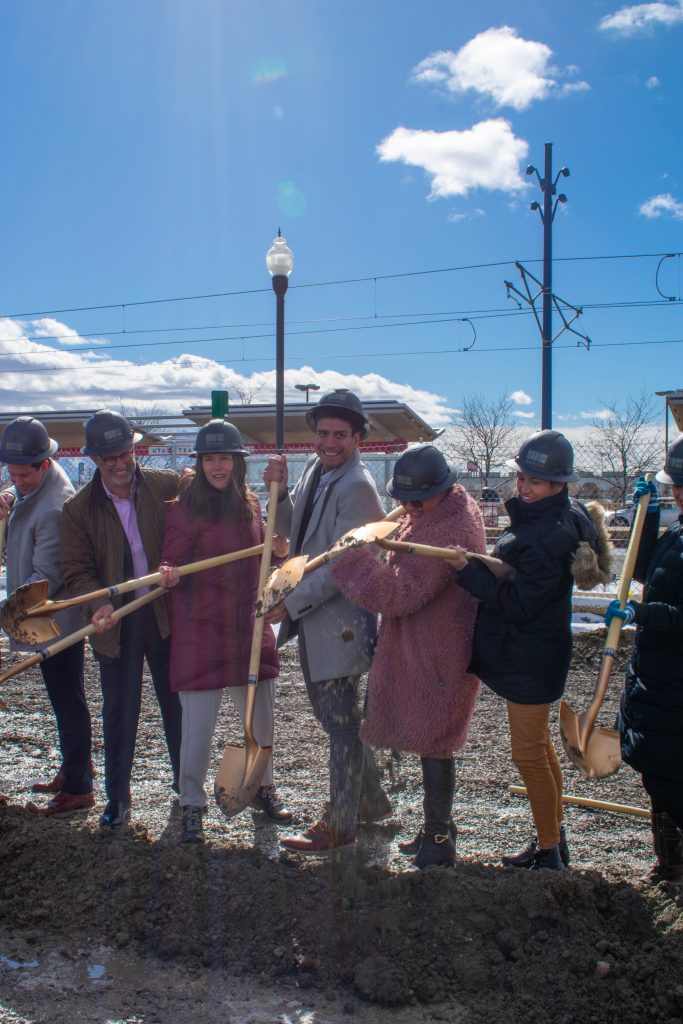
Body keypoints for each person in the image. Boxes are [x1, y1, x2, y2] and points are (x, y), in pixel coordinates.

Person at [450, 430, 611, 871]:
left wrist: (469, 573)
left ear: (559, 485)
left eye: (536, 482)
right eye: (522, 477)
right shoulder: (562, 518)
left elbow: (519, 603)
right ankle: (554, 839)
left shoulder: (547, 536)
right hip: (539, 652)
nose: (524, 487)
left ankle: (548, 851)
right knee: (540, 749)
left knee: (528, 755)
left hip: (529, 656)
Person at [329, 444, 485, 868]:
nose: (408, 507)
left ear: (444, 489)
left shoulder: (448, 531)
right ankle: (436, 829)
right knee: (430, 738)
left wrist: (353, 565)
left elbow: (398, 595)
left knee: (436, 740)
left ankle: (439, 837)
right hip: (426, 645)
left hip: (438, 652)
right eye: (404, 499)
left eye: (417, 499)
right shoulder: (436, 512)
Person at [263, 388, 391, 855]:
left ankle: (341, 822)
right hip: (319, 623)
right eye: (322, 433)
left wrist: (290, 604)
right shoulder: (317, 471)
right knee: (338, 719)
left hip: (341, 624)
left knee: (339, 723)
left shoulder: (357, 486)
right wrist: (275, 487)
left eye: (340, 434)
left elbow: (345, 563)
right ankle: (372, 801)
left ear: (358, 438)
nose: (329, 441)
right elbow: (292, 526)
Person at [157, 419, 289, 845]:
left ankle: (262, 787)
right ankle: (191, 803)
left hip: (249, 629)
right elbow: (170, 561)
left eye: (225, 459)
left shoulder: (251, 502)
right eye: (210, 459)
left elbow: (264, 563)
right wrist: (168, 573)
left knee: (261, 723)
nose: (218, 466)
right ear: (201, 462)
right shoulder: (183, 508)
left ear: (236, 462)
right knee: (197, 729)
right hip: (201, 634)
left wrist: (278, 555)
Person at [61, 410, 182, 827]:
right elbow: (76, 570)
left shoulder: (165, 487)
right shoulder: (78, 509)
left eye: (124, 453)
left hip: (165, 614)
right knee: (119, 710)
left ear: (135, 449)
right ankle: (118, 797)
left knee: (177, 704)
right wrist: (95, 605)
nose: (119, 463)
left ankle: (186, 789)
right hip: (117, 623)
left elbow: (194, 518)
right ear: (94, 459)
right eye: (109, 457)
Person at [0, 417, 93, 815]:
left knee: (68, 700)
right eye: (11, 473)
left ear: (44, 465)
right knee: (63, 698)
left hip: (56, 622)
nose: (18, 480)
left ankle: (78, 789)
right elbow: (22, 498)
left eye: (23, 475)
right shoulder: (37, 486)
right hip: (48, 620)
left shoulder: (55, 507)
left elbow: (45, 580)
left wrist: (6, 612)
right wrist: (8, 495)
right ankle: (76, 770)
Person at [604, 439, 683, 884]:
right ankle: (669, 866)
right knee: (660, 773)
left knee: (672, 776)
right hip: (660, 676)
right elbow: (642, 569)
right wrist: (648, 515)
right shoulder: (679, 534)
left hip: (676, 679)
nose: (680, 495)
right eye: (677, 488)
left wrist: (644, 612)